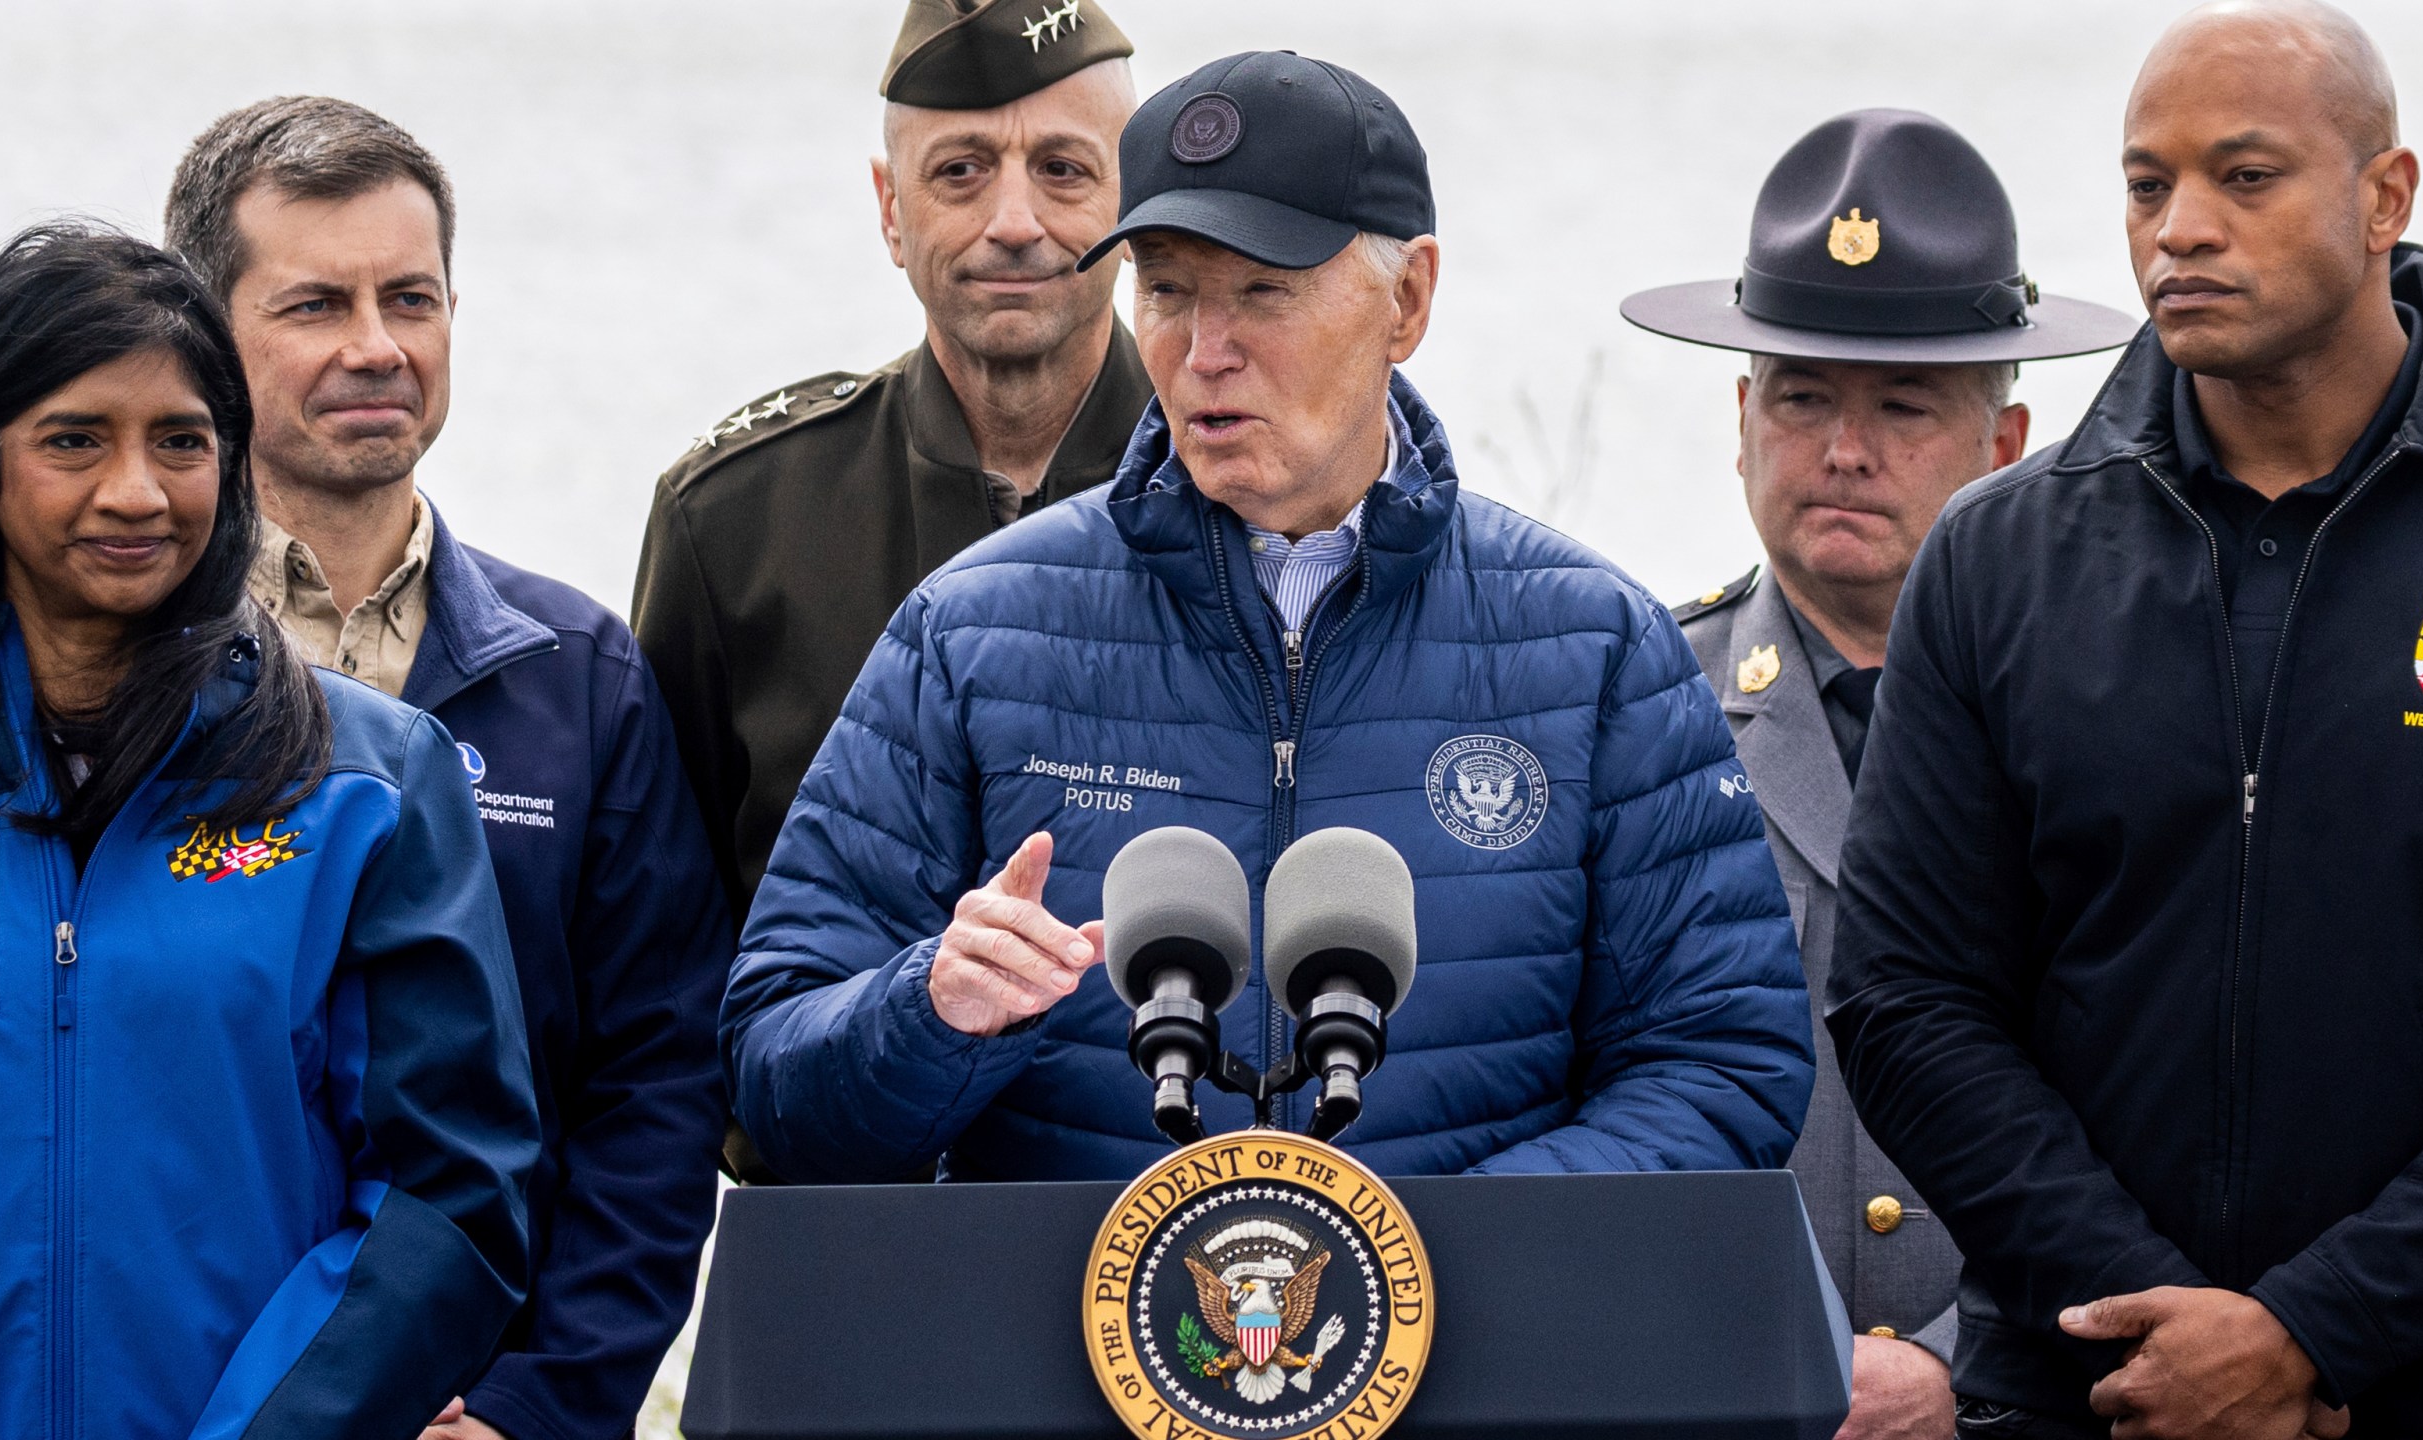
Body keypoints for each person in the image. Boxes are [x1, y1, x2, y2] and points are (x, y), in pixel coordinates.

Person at [721, 50, 1813, 1186]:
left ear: (1409, 299)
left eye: (1261, 290)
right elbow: (771, 1074)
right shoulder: (967, 636)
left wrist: (1421, 1262)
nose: (1203, 353)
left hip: (1476, 1355)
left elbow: (1723, 1067)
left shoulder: (1596, 651)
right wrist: (928, 1015)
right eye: (1167, 289)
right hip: (1050, 1349)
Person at [1829, 3, 2423, 1435]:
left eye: (2244, 178)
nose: (2180, 229)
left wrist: (2319, 1330)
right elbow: (1907, 1003)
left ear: (2385, 196)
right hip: (2087, 1392)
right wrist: (2158, 1333)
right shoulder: (1996, 553)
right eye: (2149, 184)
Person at [163, 98, 733, 1440]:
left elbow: (657, 1091)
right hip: (188, 1396)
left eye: (410, 298)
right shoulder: (124, 678)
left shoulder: (577, 679)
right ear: (199, 333)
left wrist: (541, 1407)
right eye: (315, 305)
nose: (376, 347)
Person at [0, 224, 537, 1439]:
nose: (136, 491)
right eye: (73, 440)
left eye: (181, 441)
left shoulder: (364, 782)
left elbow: (450, 1186)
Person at [1623, 110, 2137, 1439]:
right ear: (1741, 421)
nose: (1843, 450)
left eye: (1904, 406)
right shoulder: (1631, 710)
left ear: (2005, 440)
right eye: (1801, 397)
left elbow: (2179, 1101)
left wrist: (1971, 1367)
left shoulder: (2124, 720)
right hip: (1711, 1401)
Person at [631, 0, 1152, 915]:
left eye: (1064, 170)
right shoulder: (734, 523)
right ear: (891, 211)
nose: (1015, 221)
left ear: (1135, 198)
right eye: (960, 172)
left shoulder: (1246, 491)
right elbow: (663, 951)